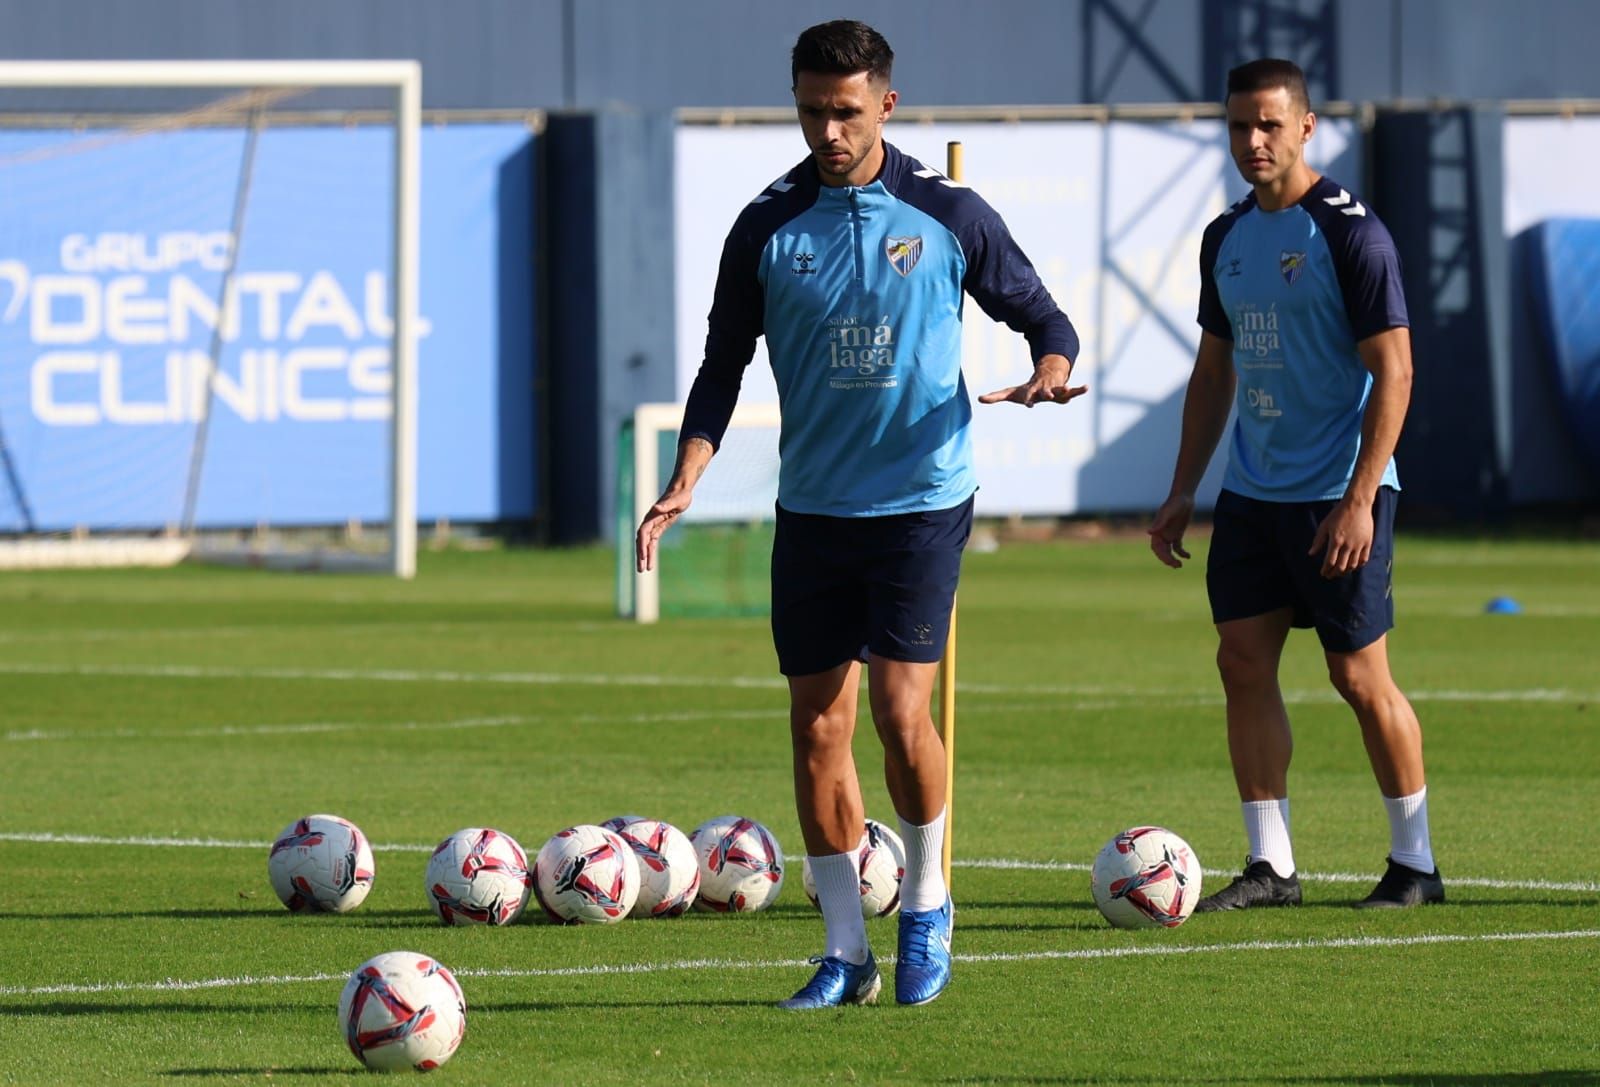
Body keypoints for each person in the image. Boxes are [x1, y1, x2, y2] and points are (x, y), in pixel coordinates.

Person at [637, 19, 1084, 1007]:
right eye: (808, 112)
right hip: (814, 509)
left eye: (843, 111)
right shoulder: (766, 226)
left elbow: (1046, 319)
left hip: (922, 501)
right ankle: (845, 951)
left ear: (886, 102)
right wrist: (689, 474)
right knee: (814, 729)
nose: (826, 132)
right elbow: (722, 364)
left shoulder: (949, 214)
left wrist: (1050, 369)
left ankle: (925, 902)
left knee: (898, 711)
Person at [1147, 58, 1443, 911]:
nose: (1253, 141)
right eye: (1240, 126)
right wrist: (1180, 489)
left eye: (1270, 125)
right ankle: (1271, 865)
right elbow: (1213, 375)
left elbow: (1395, 372)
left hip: (1339, 491)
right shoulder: (1226, 238)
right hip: (1252, 492)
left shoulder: (1351, 235)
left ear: (1306, 127)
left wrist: (1359, 499)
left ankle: (1415, 862)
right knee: (1241, 661)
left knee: (1358, 677)